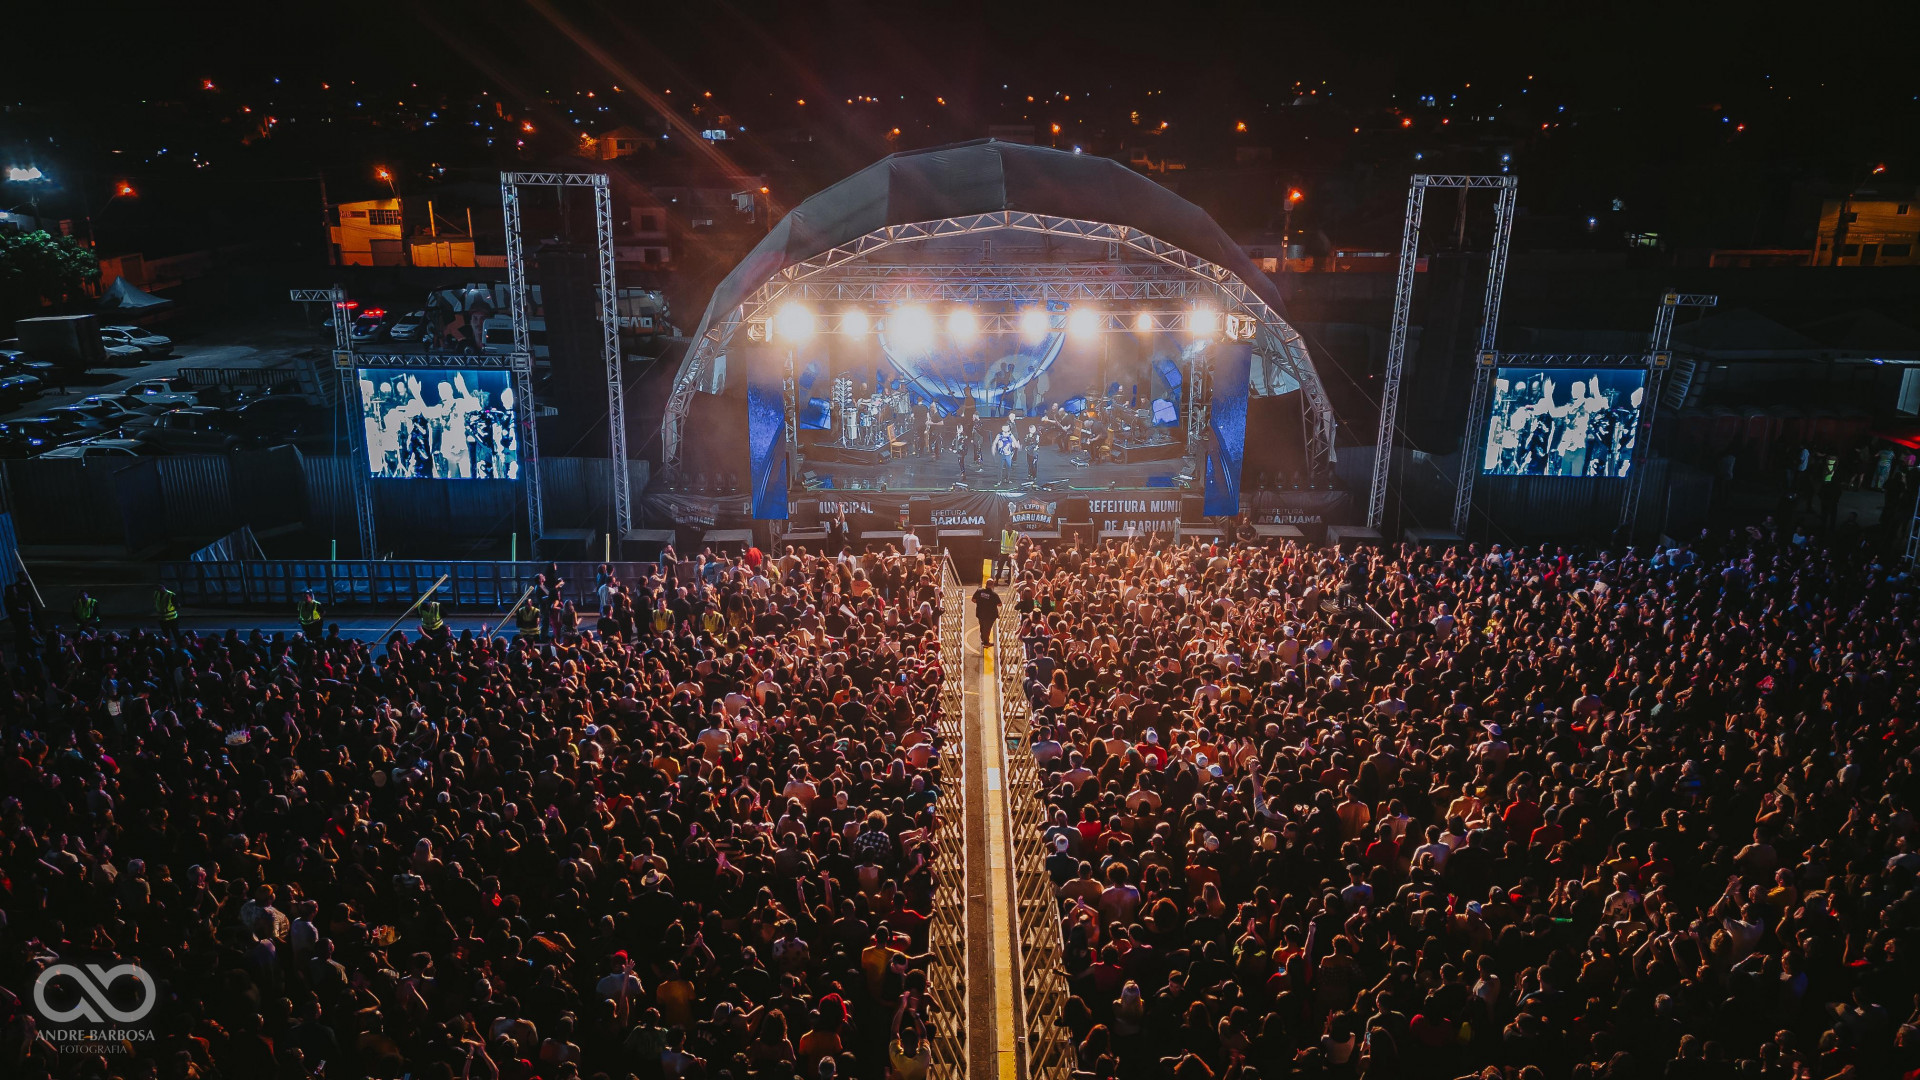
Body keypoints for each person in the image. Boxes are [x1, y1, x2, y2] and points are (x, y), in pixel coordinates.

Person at [972, 581, 1001, 648]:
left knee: (982, 627)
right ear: (992, 585)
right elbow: (999, 604)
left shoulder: (979, 591)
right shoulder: (994, 595)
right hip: (990, 615)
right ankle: (986, 642)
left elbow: (973, 600)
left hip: (980, 613)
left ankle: (983, 639)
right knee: (987, 629)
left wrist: (980, 602)